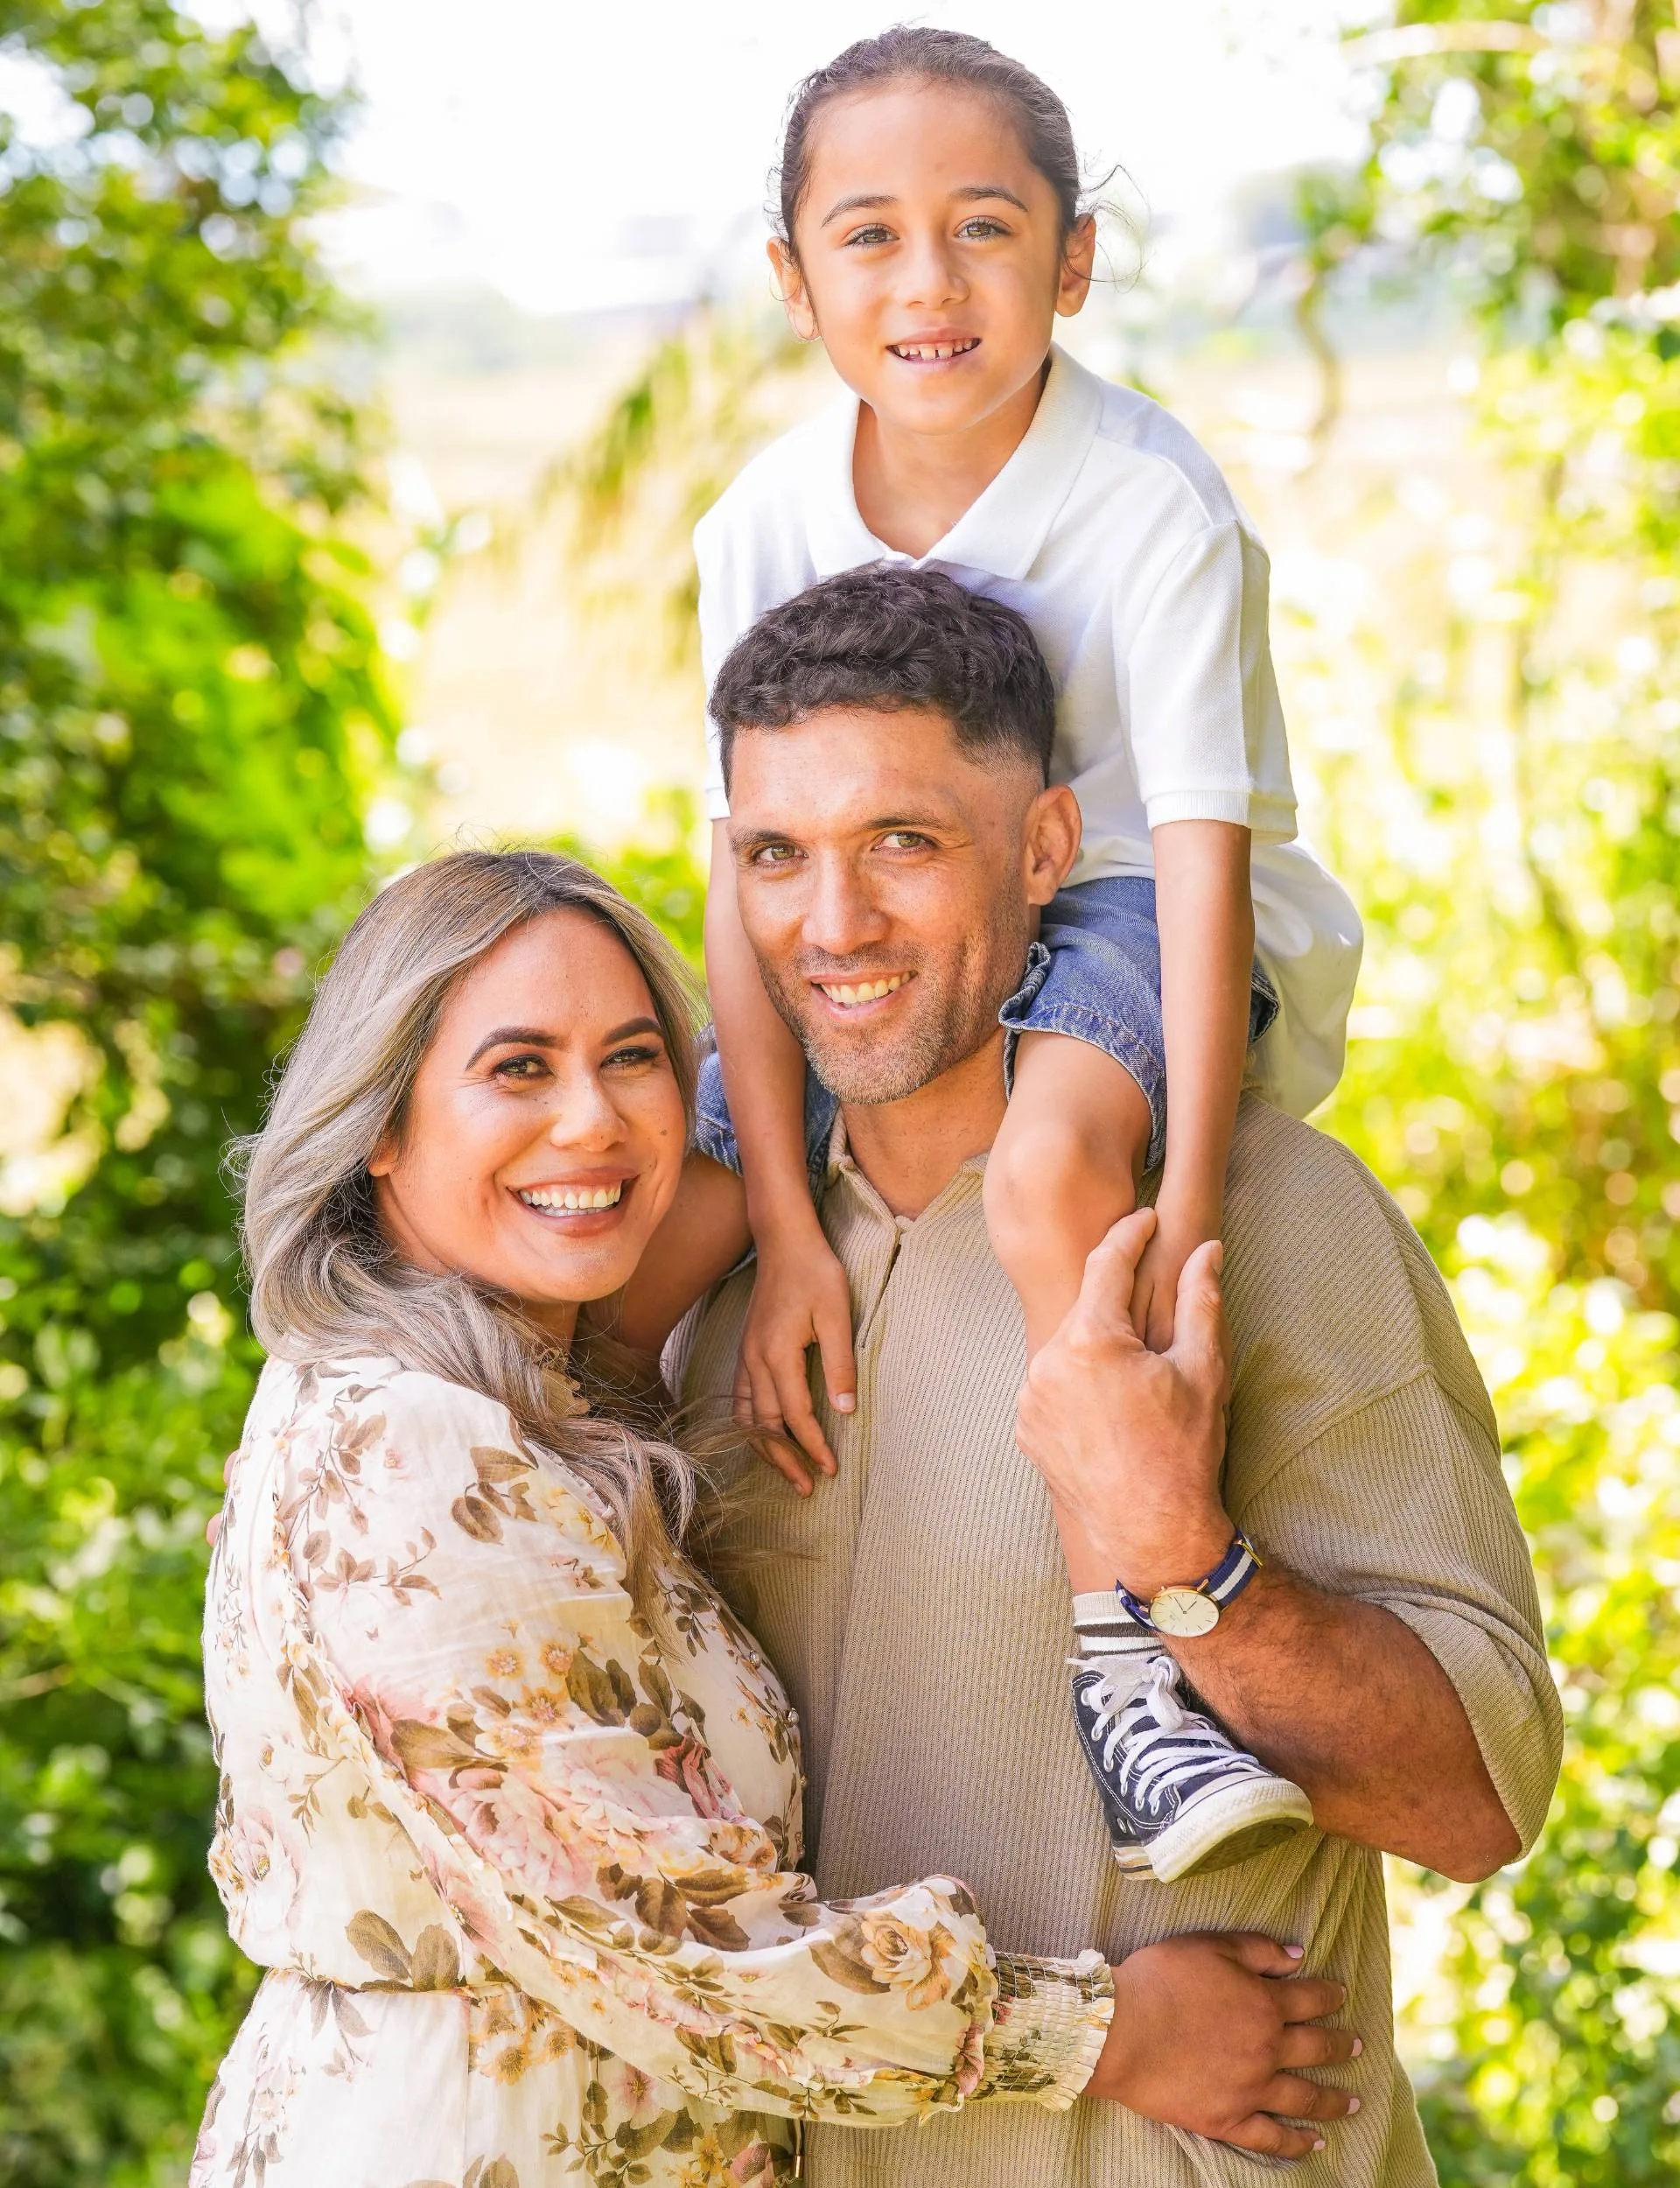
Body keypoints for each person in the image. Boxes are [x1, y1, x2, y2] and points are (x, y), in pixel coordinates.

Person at [190, 849, 1361, 2188]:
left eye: (634, 1058)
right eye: (518, 1068)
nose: (593, 1123)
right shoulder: (416, 1446)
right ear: (382, 1124)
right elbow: (672, 1949)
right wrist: (1105, 2034)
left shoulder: (473, 1396)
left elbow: (792, 1077)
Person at [670, 573, 1564, 2188]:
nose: (835, 924)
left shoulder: (1261, 1218)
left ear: (1046, 851)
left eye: (904, 842)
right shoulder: (686, 1278)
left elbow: (1471, 1802)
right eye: (776, 856)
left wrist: (1184, 1559)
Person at [628, 24, 1363, 1876]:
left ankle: (1132, 1650)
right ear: (795, 278)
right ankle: (571, 1568)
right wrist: (786, 1221)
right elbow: (744, 863)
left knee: (1048, 1176)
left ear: (1074, 258)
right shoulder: (762, 520)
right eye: (867, 236)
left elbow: (1204, 854)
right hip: (879, 895)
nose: (928, 283)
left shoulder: (1151, 501)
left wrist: (1181, 1195)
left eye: (982, 228)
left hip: (1124, 890)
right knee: (677, 1201)